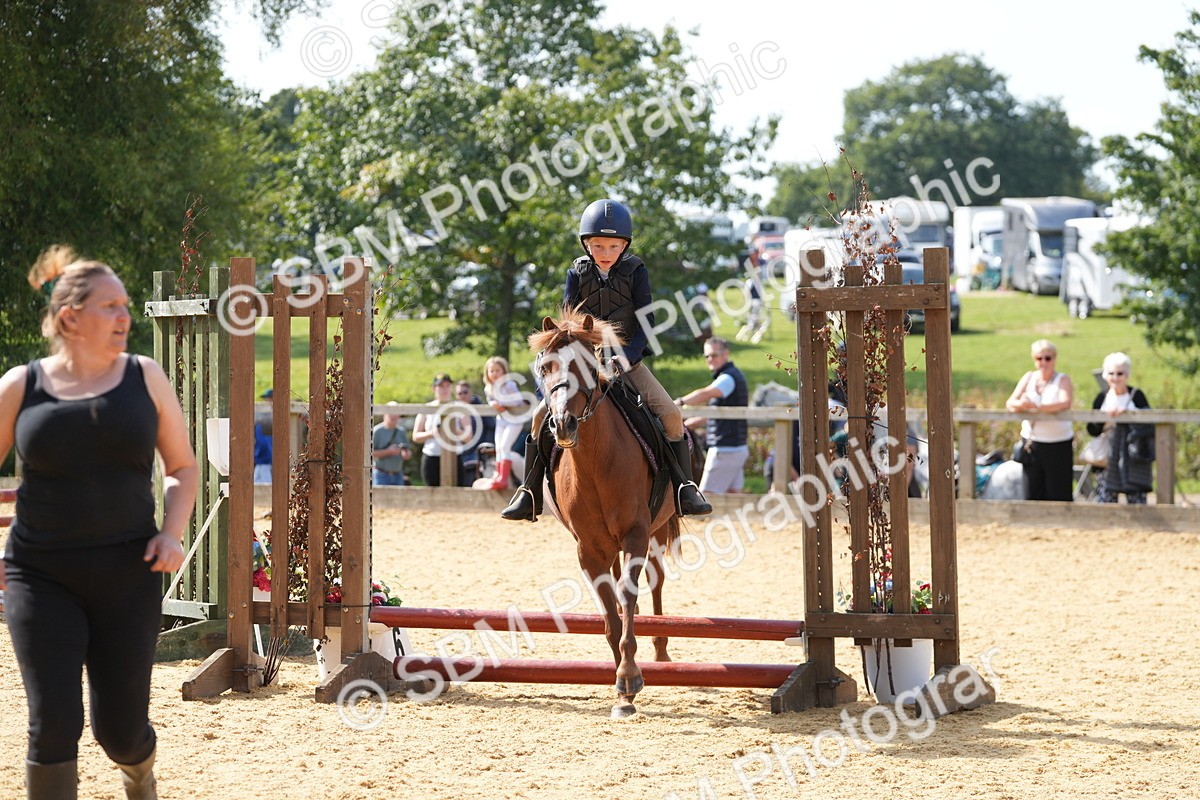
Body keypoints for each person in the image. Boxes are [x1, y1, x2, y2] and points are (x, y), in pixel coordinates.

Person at [0, 246, 198, 800]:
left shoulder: (145, 377)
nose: (123, 317)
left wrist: (172, 532)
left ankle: (140, 775)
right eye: (110, 307)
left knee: (121, 733)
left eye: (125, 306)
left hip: (129, 572)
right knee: (54, 722)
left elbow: (182, 467)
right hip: (39, 574)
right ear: (70, 318)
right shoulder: (21, 385)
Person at [501, 198, 711, 520]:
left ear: (624, 246)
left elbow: (645, 324)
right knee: (539, 418)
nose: (605, 253)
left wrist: (625, 358)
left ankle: (685, 490)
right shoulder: (577, 272)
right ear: (586, 244)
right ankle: (528, 493)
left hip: (629, 361)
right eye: (598, 245)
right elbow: (570, 322)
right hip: (585, 363)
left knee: (670, 415)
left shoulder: (636, 271)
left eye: (613, 246)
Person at [676, 337, 749, 494]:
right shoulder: (731, 376)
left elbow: (706, 393)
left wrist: (680, 402)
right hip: (736, 448)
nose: (710, 359)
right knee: (732, 496)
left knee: (706, 498)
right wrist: (691, 423)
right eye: (707, 356)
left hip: (725, 449)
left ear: (726, 354)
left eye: (714, 355)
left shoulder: (727, 378)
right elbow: (719, 413)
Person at [1005, 339, 1075, 501]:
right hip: (1032, 444)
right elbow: (1010, 402)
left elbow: (1065, 402)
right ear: (1034, 359)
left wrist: (1036, 406)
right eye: (1039, 358)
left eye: (1048, 358)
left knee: (1058, 492)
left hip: (1058, 444)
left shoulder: (1062, 379)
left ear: (1054, 359)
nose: (1043, 362)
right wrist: (1022, 405)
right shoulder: (1029, 377)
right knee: (1032, 491)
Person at [1086, 352, 1153, 504]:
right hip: (1107, 456)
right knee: (1106, 498)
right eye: (1111, 373)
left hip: (1133, 455)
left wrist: (1129, 415)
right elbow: (1091, 429)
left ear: (1127, 374)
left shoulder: (1137, 395)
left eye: (1120, 373)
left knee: (1136, 497)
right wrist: (1105, 419)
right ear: (1105, 375)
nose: (1115, 378)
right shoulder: (1102, 397)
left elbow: (1149, 424)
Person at [478, 356, 528, 491]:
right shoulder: (489, 388)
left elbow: (518, 401)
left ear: (504, 372)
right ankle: (499, 474)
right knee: (499, 447)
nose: (494, 373)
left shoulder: (510, 385)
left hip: (514, 420)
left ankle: (503, 478)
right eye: (491, 371)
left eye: (497, 370)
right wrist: (493, 404)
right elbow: (490, 401)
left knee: (505, 446)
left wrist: (503, 404)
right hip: (502, 420)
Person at [412, 373, 470, 487]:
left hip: (454, 456)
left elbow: (468, 437)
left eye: (447, 386)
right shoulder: (426, 408)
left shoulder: (460, 408)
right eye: (441, 386)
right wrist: (433, 433)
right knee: (432, 495)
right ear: (434, 389)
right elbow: (416, 437)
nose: (445, 389)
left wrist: (454, 430)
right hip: (432, 456)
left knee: (456, 495)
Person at [371, 401, 412, 486]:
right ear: (385, 413)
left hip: (398, 475)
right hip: (381, 475)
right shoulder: (376, 431)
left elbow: (408, 452)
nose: (393, 415)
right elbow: (369, 454)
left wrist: (405, 454)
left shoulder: (402, 432)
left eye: (396, 412)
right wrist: (389, 451)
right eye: (391, 412)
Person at [253, 389, 273, 485]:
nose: (266, 401)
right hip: (261, 462)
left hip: (266, 461)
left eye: (268, 398)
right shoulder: (261, 417)